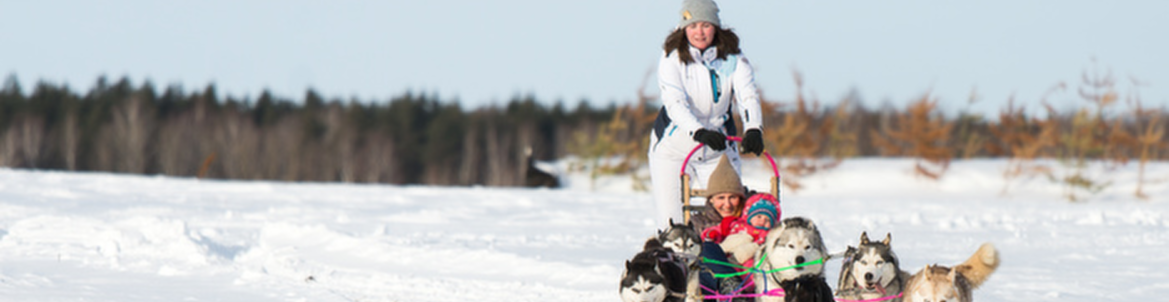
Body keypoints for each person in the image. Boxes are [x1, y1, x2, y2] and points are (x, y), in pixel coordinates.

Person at [649, 0, 766, 228]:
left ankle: (723, 261)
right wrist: (698, 131)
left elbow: (747, 96)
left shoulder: (734, 59)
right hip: (673, 150)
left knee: (726, 220)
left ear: (716, 27)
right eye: (693, 26)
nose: (699, 33)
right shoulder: (672, 59)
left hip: (717, 150)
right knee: (672, 223)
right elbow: (675, 103)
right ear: (684, 28)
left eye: (705, 25)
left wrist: (754, 128)